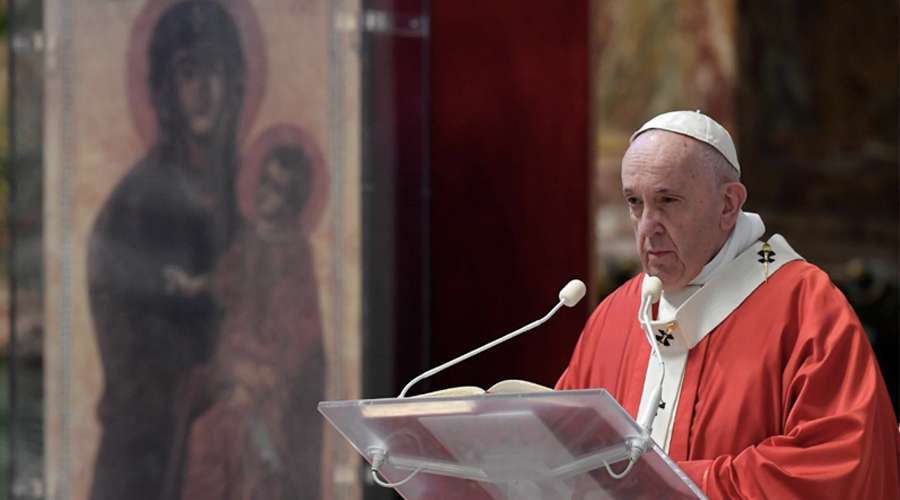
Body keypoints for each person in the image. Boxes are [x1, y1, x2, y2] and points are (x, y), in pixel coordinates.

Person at [556, 110, 900, 498]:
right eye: (635, 202)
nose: (647, 225)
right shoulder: (615, 316)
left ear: (728, 205)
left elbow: (835, 464)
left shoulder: (806, 307)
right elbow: (566, 455)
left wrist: (672, 488)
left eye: (667, 200)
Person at [87, 2, 246, 499]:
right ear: (165, 90)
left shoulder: (244, 194)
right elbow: (129, 348)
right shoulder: (138, 204)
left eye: (216, 70)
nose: (205, 91)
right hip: (150, 459)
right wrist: (198, 379)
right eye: (189, 73)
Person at [174, 143, 326, 500]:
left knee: (239, 446)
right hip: (236, 369)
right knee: (204, 436)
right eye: (263, 182)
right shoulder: (250, 239)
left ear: (293, 201)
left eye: (277, 189)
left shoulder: (294, 252)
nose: (264, 195)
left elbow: (298, 334)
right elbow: (226, 278)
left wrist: (255, 378)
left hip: (266, 384)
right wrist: (194, 285)